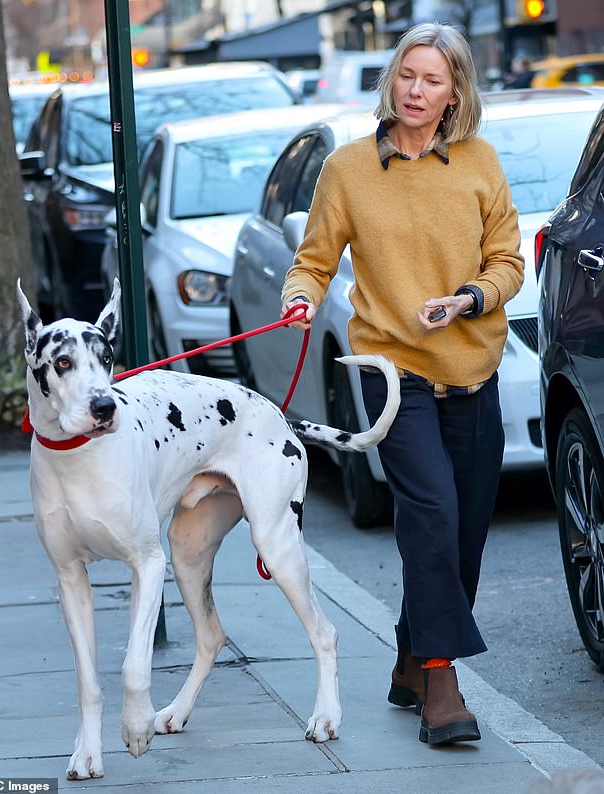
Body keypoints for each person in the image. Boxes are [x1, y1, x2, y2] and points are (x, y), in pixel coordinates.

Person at [280, 22, 524, 746]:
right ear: (392, 81)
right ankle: (441, 685)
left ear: (455, 93)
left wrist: (469, 299)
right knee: (431, 520)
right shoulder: (349, 169)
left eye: (433, 80)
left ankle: (410, 652)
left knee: (465, 539)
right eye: (408, 76)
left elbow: (509, 261)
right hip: (392, 374)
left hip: (472, 368)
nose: (417, 92)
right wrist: (299, 295)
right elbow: (315, 260)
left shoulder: (479, 163)